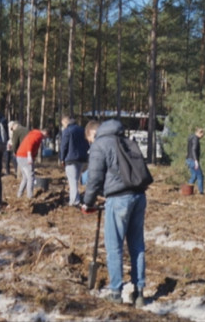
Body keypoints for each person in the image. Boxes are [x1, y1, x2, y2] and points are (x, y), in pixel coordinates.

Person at [81, 119, 146, 307]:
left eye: (89, 140)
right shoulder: (125, 140)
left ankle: (116, 292)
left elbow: (94, 178)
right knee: (137, 245)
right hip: (139, 196)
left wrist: (88, 202)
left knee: (114, 246)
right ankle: (139, 292)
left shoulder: (100, 144)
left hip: (118, 199)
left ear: (93, 134)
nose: (90, 144)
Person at [60, 115, 90, 206]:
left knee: (72, 181)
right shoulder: (82, 130)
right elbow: (87, 144)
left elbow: (64, 146)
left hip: (70, 159)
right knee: (76, 180)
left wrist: (62, 158)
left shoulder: (67, 131)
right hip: (81, 158)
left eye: (63, 124)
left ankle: (74, 201)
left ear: (65, 122)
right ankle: (76, 198)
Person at [15, 127, 49, 199]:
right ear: (45, 133)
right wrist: (29, 155)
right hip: (25, 156)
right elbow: (30, 144)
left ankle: (19, 194)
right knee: (31, 177)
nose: (45, 138)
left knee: (25, 177)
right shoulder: (38, 135)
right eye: (46, 136)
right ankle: (30, 196)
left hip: (20, 155)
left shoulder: (33, 133)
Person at [185, 128, 205, 195]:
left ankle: (188, 190)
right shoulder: (195, 139)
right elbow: (194, 150)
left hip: (188, 159)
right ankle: (201, 191)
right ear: (200, 133)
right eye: (202, 134)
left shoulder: (191, 138)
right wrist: (196, 161)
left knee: (194, 175)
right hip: (193, 160)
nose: (203, 136)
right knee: (200, 176)